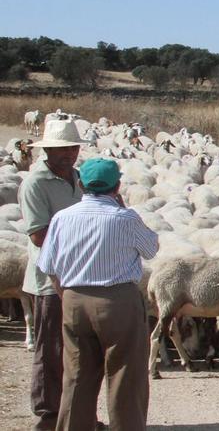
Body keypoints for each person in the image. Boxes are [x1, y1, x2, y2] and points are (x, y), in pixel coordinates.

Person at [37, 158, 159, 431]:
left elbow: (48, 265)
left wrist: (67, 295)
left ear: (81, 185)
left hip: (74, 300)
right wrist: (123, 208)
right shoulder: (125, 218)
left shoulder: (62, 218)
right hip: (118, 302)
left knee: (77, 374)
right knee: (125, 374)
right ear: (117, 186)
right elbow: (151, 249)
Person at [19, 120, 85, 431]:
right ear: (46, 149)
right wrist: (87, 241)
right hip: (50, 280)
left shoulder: (79, 178)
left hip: (81, 277)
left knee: (79, 350)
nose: (68, 153)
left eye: (72, 147)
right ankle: (48, 416)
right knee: (51, 349)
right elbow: (38, 235)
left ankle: (76, 416)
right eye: (61, 148)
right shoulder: (35, 184)